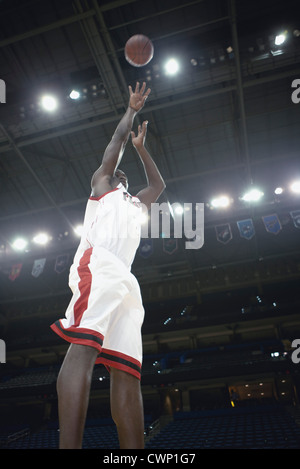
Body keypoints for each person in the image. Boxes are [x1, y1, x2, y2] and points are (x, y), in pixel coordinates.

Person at [50, 82, 165, 449]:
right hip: (98, 262)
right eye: (120, 171)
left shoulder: (134, 202)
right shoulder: (102, 185)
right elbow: (113, 148)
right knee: (83, 345)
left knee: (127, 371)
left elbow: (158, 185)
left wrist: (142, 149)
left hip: (126, 281)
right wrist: (130, 112)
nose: (122, 174)